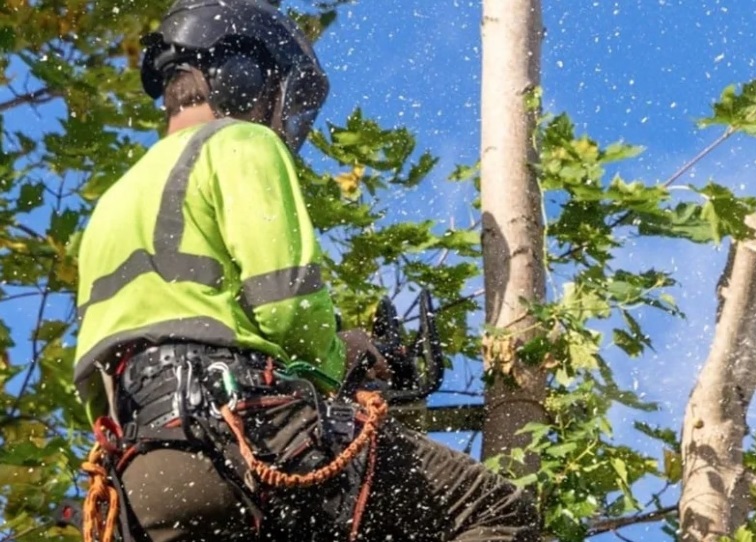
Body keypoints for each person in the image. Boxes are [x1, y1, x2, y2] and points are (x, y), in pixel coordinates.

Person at [73, 1, 540, 541]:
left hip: (141, 480)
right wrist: (341, 357)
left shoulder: (112, 203)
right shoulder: (241, 143)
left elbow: (98, 377)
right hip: (240, 440)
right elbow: (287, 305)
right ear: (244, 77)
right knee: (491, 510)